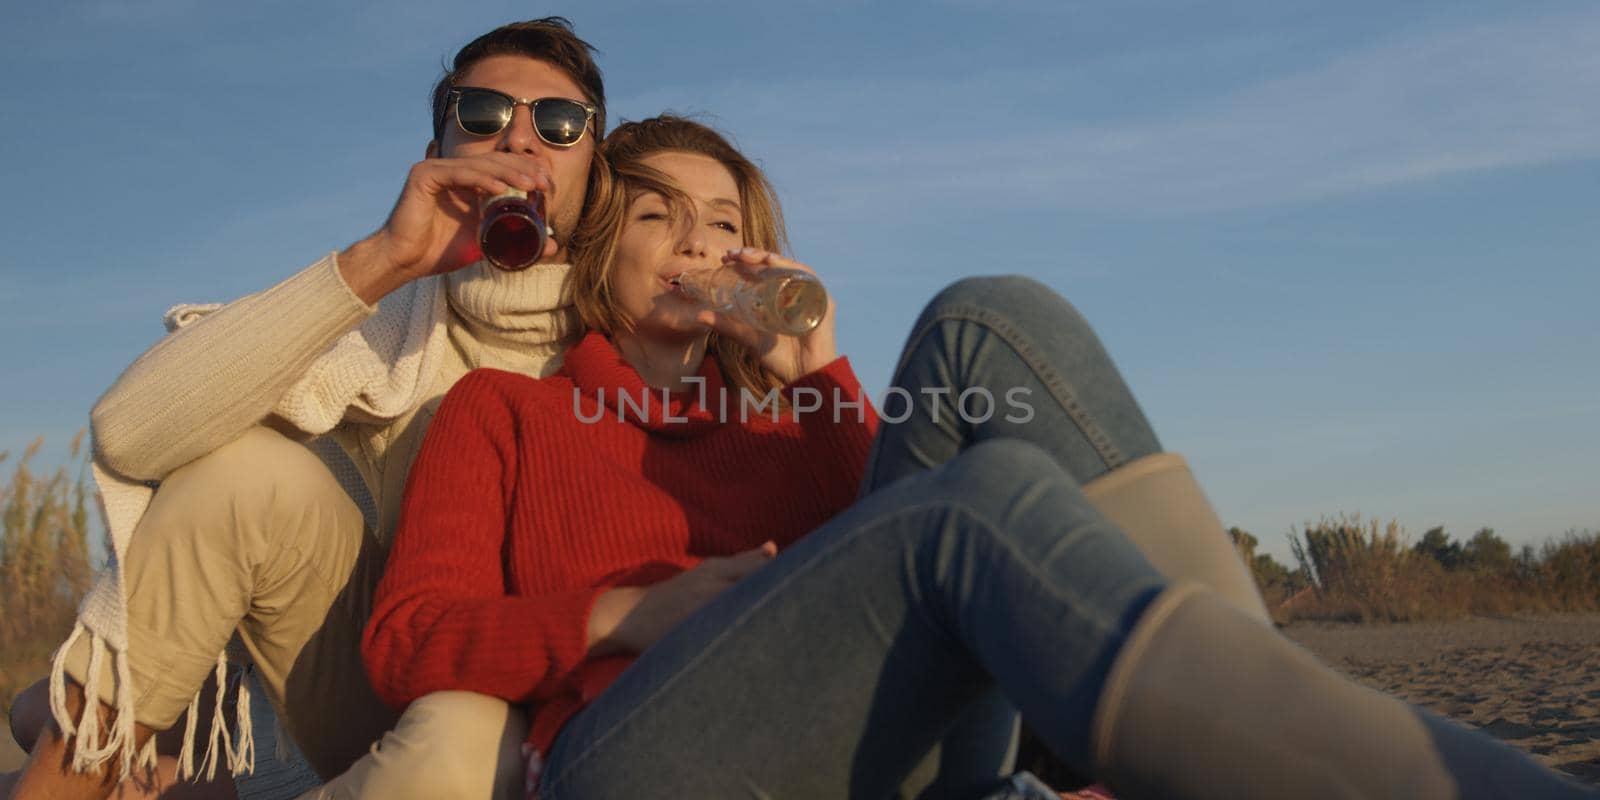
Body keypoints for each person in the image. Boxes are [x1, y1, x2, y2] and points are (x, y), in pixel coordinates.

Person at [364, 115, 1597, 799]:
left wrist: (825, 373)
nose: (695, 243)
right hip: (629, 759)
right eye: (655, 215)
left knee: (986, 316)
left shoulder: (790, 422)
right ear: (597, 249)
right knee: (984, 504)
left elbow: (897, 557)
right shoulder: (506, 416)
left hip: (857, 755)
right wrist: (631, 610)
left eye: (726, 223)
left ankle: (1242, 717)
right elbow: (407, 635)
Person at [5, 17, 609, 800]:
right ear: (437, 158)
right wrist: (383, 259)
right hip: (381, 684)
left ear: (598, 170)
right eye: (484, 115)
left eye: (560, 125)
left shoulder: (637, 313)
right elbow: (129, 433)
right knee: (246, 471)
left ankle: (158, 755)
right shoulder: (396, 307)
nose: (520, 141)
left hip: (559, 695)